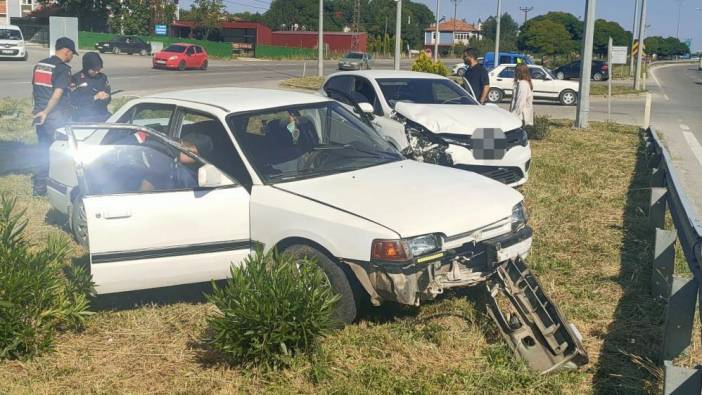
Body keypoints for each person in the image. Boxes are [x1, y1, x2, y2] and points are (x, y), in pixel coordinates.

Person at [31, 37, 77, 196]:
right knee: (61, 152)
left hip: (39, 113)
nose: (71, 57)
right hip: (54, 116)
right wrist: (47, 112)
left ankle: (39, 187)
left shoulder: (40, 65)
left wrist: (39, 111)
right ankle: (59, 188)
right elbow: (57, 93)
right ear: (67, 51)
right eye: (72, 54)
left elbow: (38, 89)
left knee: (43, 150)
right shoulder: (62, 68)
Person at [71, 52, 111, 122]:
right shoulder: (76, 78)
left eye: (98, 69)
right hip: (84, 116)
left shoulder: (103, 77)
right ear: (86, 67)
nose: (96, 72)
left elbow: (108, 95)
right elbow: (74, 100)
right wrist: (94, 97)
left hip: (102, 114)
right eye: (94, 70)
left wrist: (106, 97)